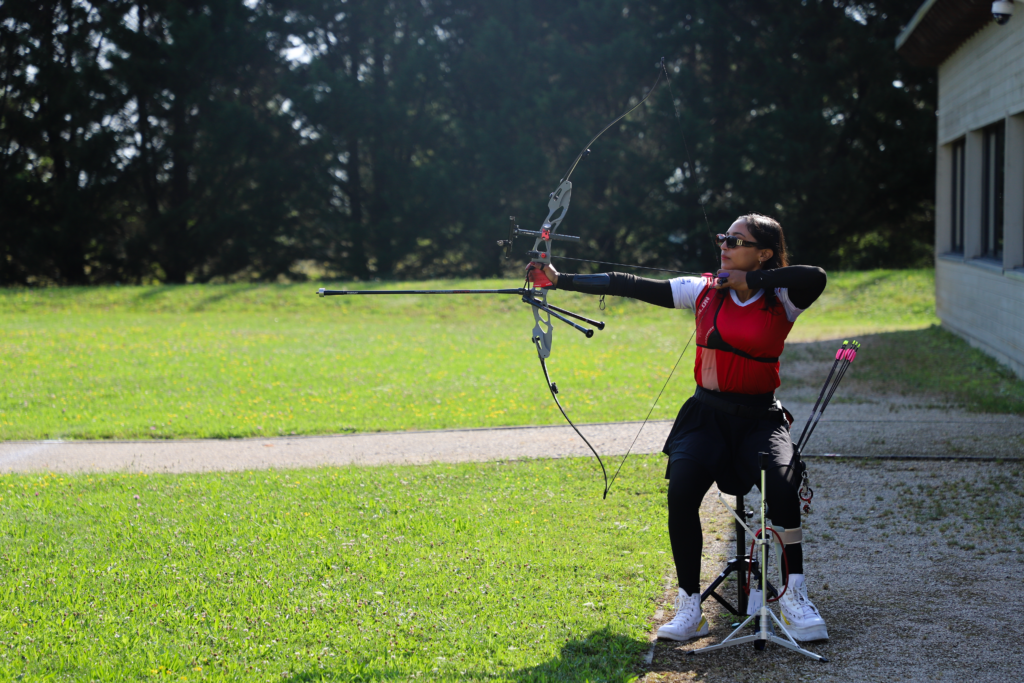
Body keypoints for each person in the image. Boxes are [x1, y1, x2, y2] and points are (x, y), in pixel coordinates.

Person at [541, 213, 829, 642]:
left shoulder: (784, 296)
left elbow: (817, 276)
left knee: (783, 487)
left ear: (764, 253)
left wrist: (756, 283)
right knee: (682, 491)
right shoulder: (704, 289)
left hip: (759, 418)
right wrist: (559, 279)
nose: (725, 245)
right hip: (705, 416)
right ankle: (690, 606)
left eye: (736, 240)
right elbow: (630, 284)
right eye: (723, 238)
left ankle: (794, 597)